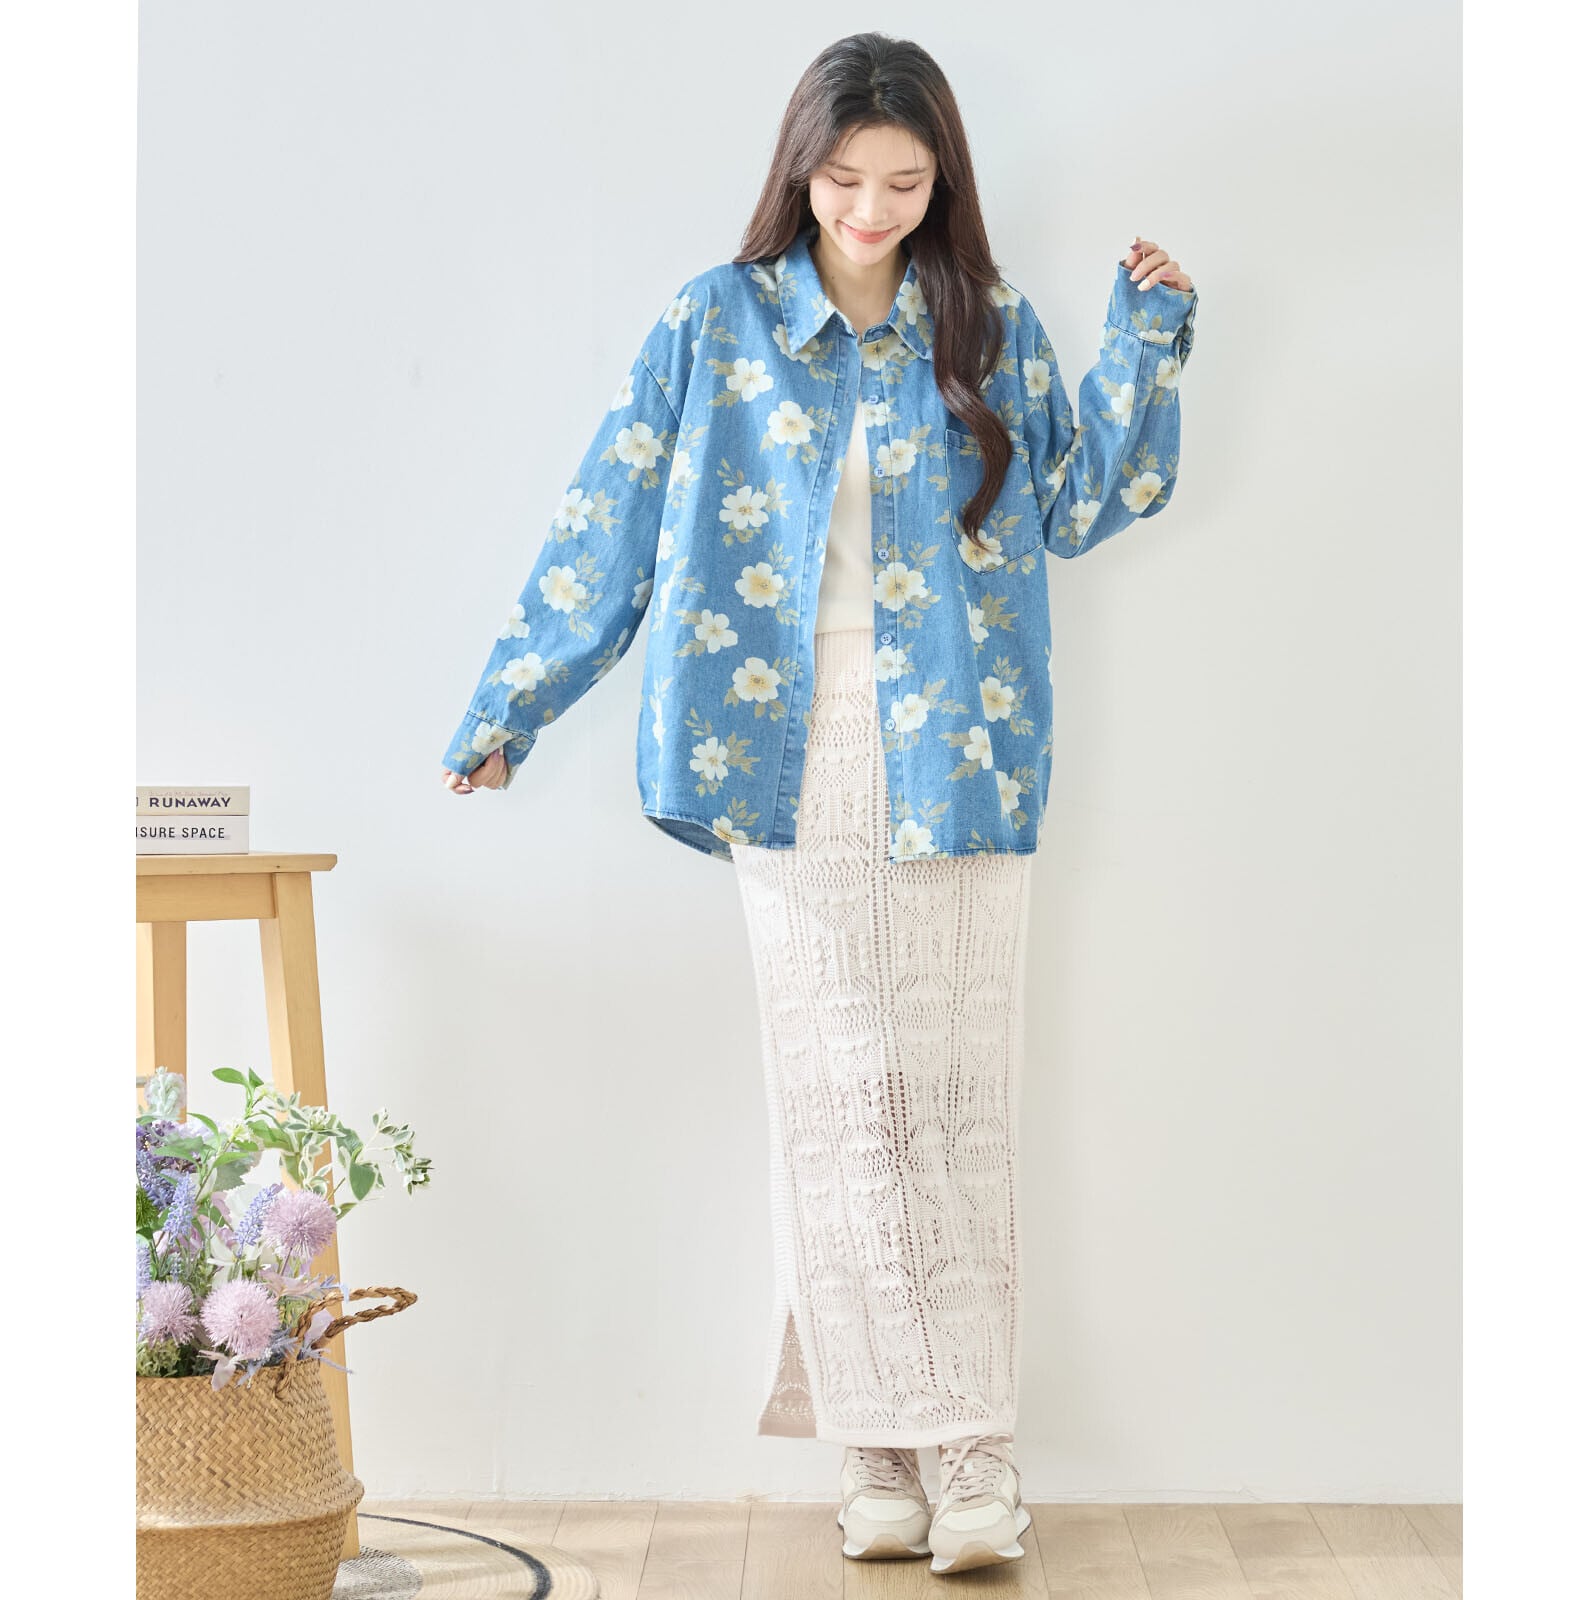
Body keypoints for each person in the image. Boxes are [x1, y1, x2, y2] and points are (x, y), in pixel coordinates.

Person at [439, 31, 1196, 1576]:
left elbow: (1078, 501)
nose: (869, 208)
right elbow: (610, 517)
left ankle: (973, 1459)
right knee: (842, 1107)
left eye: (902, 182)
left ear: (942, 181)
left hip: (964, 747)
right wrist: (514, 704)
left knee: (959, 1109)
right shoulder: (713, 322)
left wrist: (1149, 334)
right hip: (784, 757)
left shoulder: (987, 322)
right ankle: (878, 1462)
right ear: (800, 169)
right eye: (844, 178)